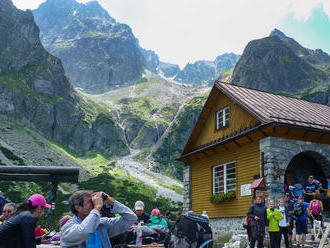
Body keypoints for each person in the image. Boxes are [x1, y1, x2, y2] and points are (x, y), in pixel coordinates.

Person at [61, 190, 136, 247]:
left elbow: (131, 218)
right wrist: (97, 208)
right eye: (91, 201)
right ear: (78, 208)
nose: (94, 203)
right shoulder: (68, 228)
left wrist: (111, 202)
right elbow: (84, 231)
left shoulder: (101, 224)